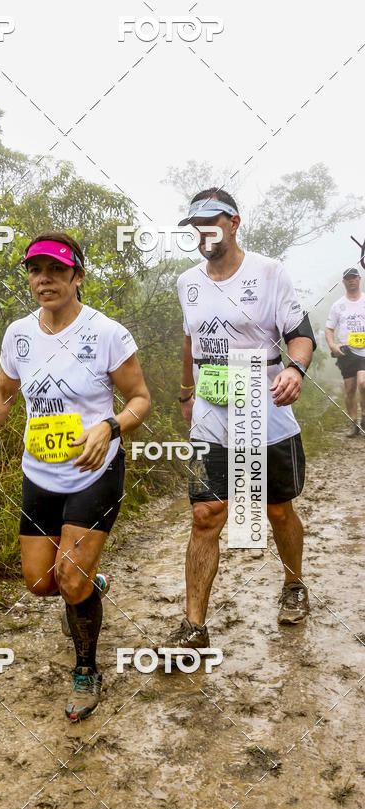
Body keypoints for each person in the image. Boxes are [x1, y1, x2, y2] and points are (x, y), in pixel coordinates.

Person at [0, 231, 151, 720]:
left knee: (69, 579)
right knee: (40, 583)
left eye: (56, 271)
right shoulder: (18, 334)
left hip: (95, 472)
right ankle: (90, 583)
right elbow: (3, 392)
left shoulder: (107, 332)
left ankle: (86, 673)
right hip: (38, 473)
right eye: (34, 270)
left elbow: (140, 401)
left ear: (77, 276)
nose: (44, 280)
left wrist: (110, 428)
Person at [169, 188, 316, 650]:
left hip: (268, 413)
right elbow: (191, 339)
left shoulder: (270, 274)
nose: (203, 232)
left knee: (276, 510)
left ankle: (293, 584)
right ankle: (194, 627)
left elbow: (301, 335)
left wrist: (295, 368)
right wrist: (187, 392)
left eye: (211, 222)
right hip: (211, 418)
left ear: (234, 221)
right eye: (195, 225)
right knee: (205, 514)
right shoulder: (186, 282)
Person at [325, 267, 365, 437]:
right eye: (348, 278)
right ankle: (354, 423)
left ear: (359, 279)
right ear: (343, 282)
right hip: (347, 352)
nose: (351, 280)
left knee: (363, 383)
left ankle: (364, 419)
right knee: (349, 389)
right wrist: (333, 346)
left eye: (354, 277)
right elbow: (329, 328)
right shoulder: (338, 305)